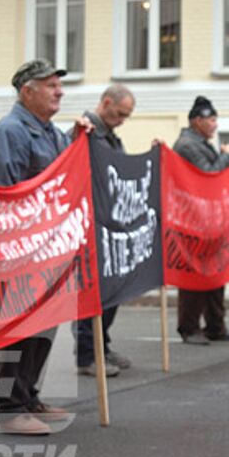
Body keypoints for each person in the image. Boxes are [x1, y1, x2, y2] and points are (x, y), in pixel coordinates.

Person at [0, 59, 83, 434]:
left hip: (48, 250)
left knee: (43, 328)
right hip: (22, 252)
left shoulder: (50, 132)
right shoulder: (10, 132)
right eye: (50, 85)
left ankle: (28, 396)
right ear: (27, 92)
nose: (59, 91)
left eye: (59, 85)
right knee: (18, 331)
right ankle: (9, 408)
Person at [71, 84, 136, 377]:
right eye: (120, 113)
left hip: (110, 226)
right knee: (93, 295)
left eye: (126, 116)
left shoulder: (110, 136)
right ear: (106, 103)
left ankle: (102, 345)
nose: (122, 120)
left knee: (111, 293)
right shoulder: (84, 132)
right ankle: (87, 354)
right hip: (92, 227)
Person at [172, 96, 229, 345]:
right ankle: (189, 328)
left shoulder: (199, 143)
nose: (215, 125)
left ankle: (215, 325)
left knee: (215, 275)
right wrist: (227, 157)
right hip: (193, 222)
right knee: (195, 278)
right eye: (211, 119)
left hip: (209, 221)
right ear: (197, 120)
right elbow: (208, 175)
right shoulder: (187, 145)